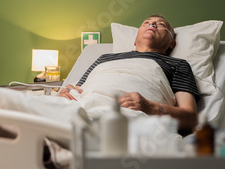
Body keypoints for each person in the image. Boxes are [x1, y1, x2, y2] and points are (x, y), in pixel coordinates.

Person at [58, 14, 199, 133]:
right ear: (134, 39)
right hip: (81, 106)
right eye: (147, 23)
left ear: (171, 44)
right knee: (37, 106)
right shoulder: (104, 58)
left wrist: (150, 107)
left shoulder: (178, 64)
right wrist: (65, 95)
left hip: (125, 114)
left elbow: (190, 118)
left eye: (160, 24)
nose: (152, 25)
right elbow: (76, 89)